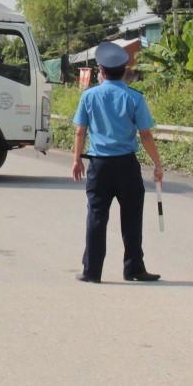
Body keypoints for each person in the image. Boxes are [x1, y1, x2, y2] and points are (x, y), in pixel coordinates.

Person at [71, 42, 164, 283]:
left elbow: (80, 131)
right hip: (126, 166)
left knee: (96, 216)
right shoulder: (134, 98)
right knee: (132, 218)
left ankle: (92, 271)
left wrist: (77, 161)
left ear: (101, 71)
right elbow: (145, 135)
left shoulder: (89, 96)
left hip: (99, 165)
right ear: (124, 71)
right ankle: (133, 268)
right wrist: (157, 164)